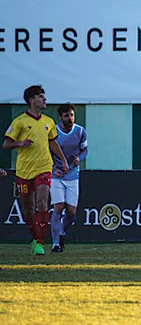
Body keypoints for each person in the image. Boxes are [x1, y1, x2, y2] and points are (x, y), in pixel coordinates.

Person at [3, 85, 68, 255]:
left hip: (44, 167)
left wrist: (63, 160)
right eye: (41, 96)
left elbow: (53, 143)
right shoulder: (20, 122)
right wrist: (20, 143)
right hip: (24, 171)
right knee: (29, 209)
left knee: (42, 202)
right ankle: (34, 238)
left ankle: (40, 242)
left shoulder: (48, 122)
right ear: (32, 101)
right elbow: (6, 144)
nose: (44, 99)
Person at [50, 103, 88, 252]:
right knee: (58, 206)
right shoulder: (54, 132)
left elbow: (85, 150)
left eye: (72, 115)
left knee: (71, 211)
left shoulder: (80, 131)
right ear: (61, 117)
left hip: (73, 175)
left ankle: (62, 233)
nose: (70, 118)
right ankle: (55, 244)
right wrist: (54, 169)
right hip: (57, 175)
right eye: (67, 115)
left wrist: (80, 158)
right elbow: (47, 153)